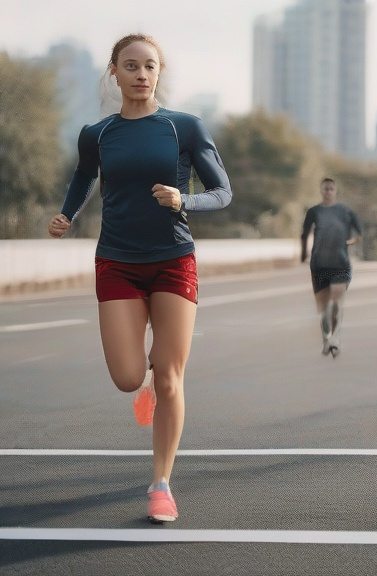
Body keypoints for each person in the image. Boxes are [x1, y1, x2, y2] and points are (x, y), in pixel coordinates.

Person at [48, 34, 232, 523]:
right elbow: (85, 175)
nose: (141, 74)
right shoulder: (98, 133)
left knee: (170, 376)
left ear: (159, 71)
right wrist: (66, 216)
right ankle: (145, 385)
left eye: (149, 66)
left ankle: (161, 484)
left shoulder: (184, 128)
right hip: (117, 261)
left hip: (174, 259)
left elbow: (223, 192)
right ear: (115, 72)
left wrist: (183, 200)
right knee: (130, 376)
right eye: (131, 66)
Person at [301, 178, 363, 358]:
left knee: (336, 303)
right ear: (321, 190)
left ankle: (335, 338)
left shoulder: (346, 211)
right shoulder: (314, 211)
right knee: (323, 309)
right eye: (325, 188)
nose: (328, 191)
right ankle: (327, 339)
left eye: (331, 189)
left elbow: (359, 234)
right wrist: (303, 255)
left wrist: (348, 242)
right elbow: (305, 234)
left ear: (336, 191)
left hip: (340, 262)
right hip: (319, 264)